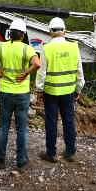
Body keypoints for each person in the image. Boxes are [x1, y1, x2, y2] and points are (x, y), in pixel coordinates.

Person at [0, 21, 42, 171]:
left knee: (3, 126)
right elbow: (37, 64)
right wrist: (26, 73)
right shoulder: (27, 49)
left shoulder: (0, 47)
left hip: (5, 92)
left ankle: (0, 159)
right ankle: (21, 161)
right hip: (22, 94)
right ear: (23, 34)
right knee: (22, 128)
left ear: (9, 33)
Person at [39, 17, 83, 163]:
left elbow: (42, 73)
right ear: (64, 31)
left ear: (50, 31)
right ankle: (70, 152)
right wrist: (78, 89)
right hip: (69, 92)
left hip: (51, 92)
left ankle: (51, 153)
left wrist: (39, 90)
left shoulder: (46, 48)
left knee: (51, 122)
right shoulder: (74, 47)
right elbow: (80, 73)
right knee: (69, 121)